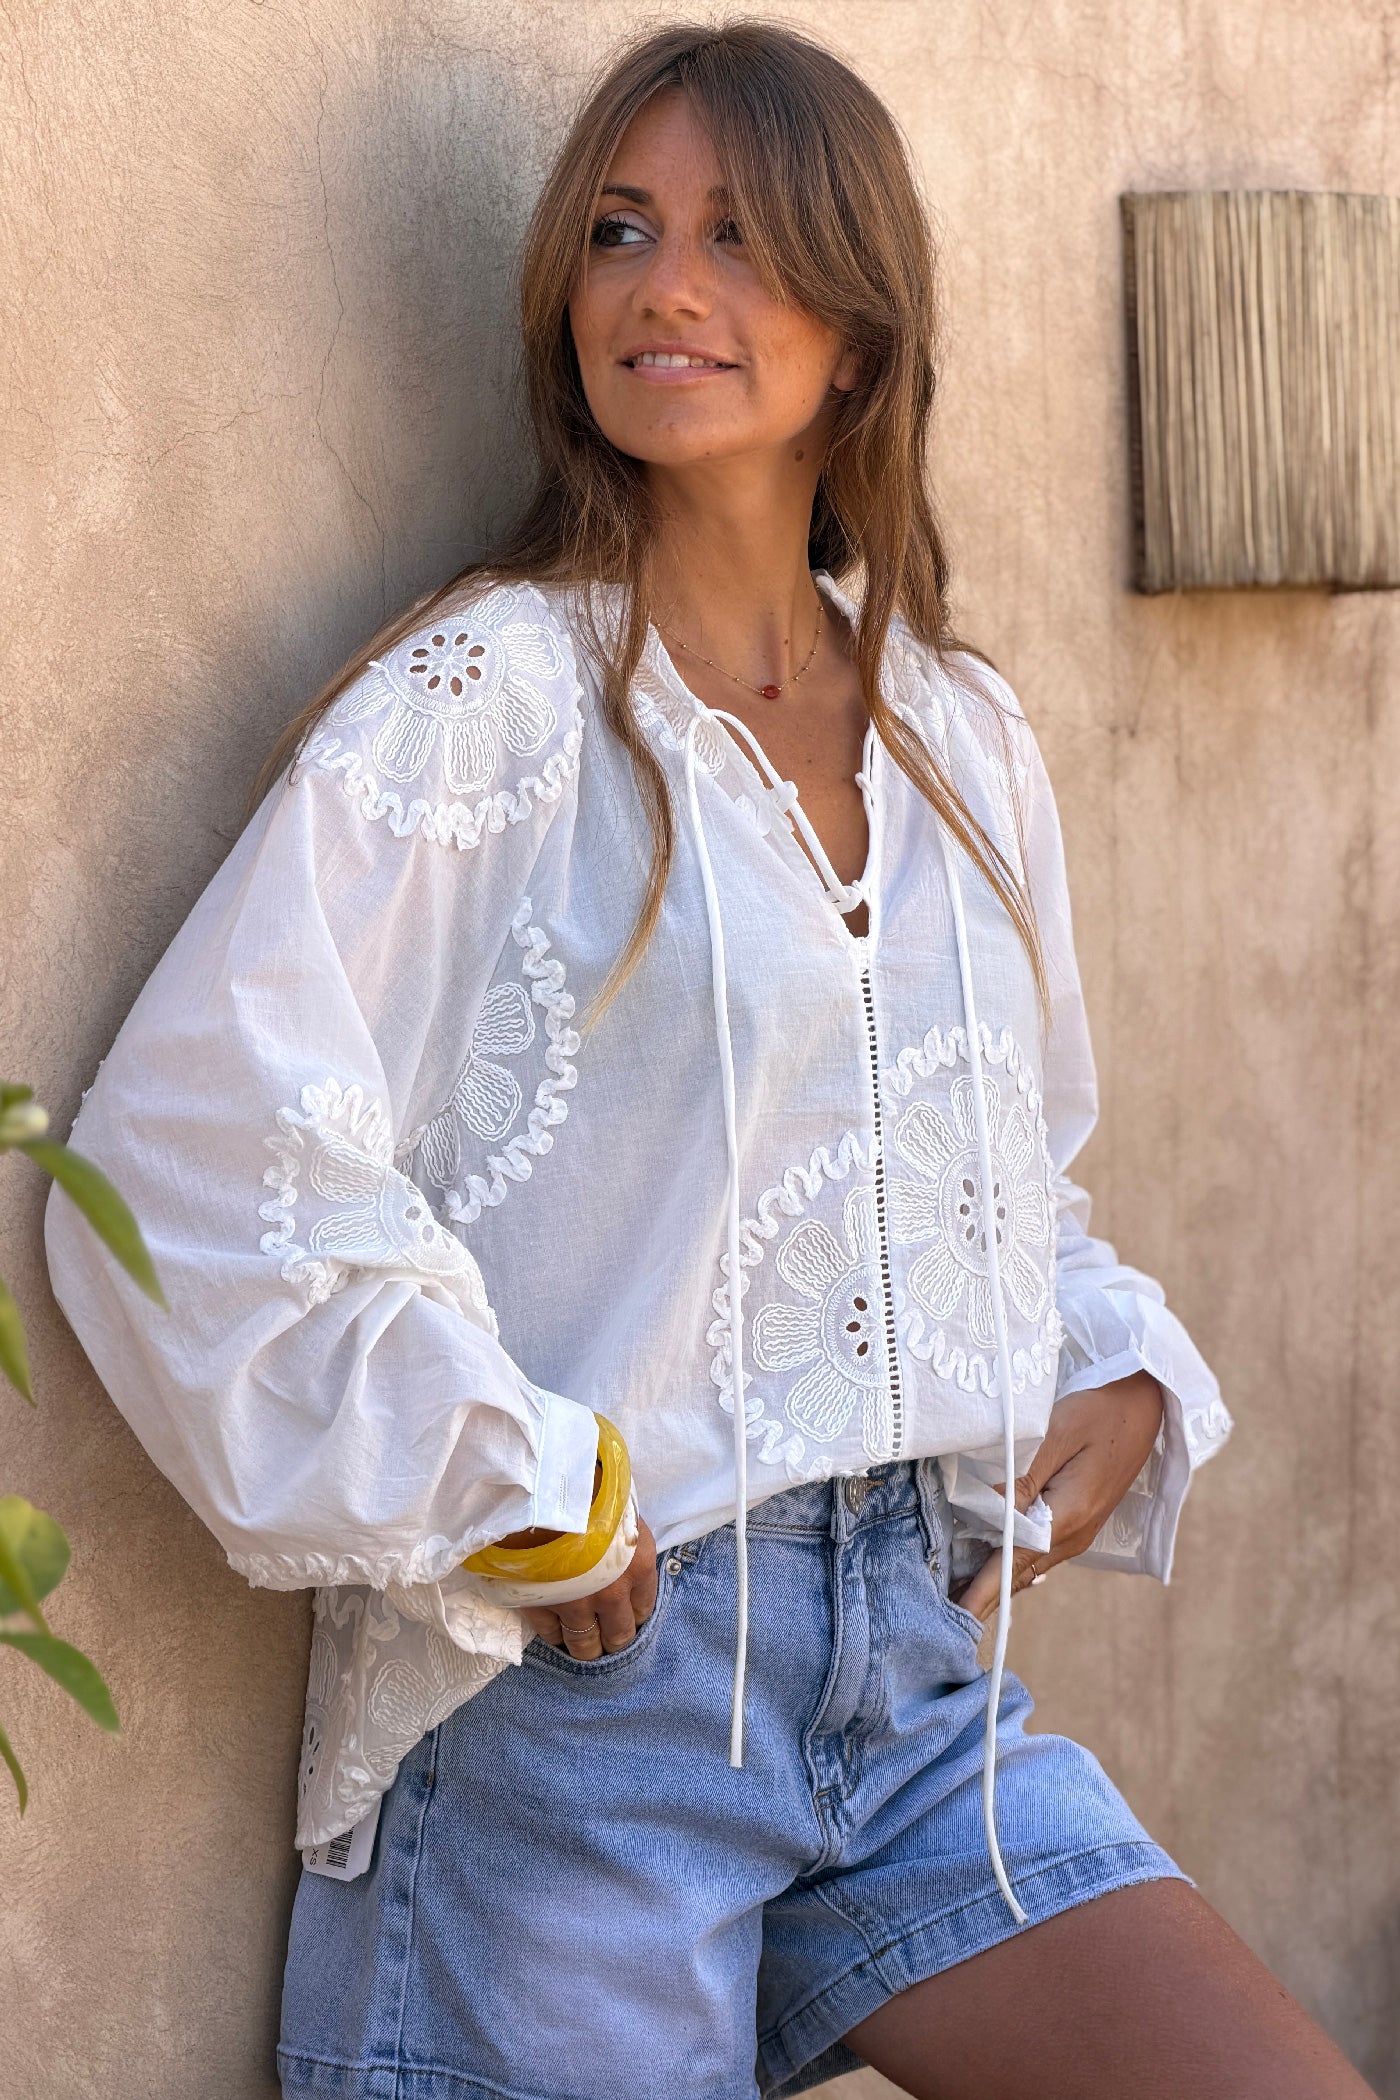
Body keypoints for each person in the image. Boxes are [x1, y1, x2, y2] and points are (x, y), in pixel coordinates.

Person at [44, 21, 1374, 2100]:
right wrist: (505, 1483)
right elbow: (192, 1166)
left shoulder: (964, 742)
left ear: (860, 334)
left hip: (913, 1682)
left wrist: (1102, 1354)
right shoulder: (484, 703)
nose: (663, 287)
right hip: (589, 1709)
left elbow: (995, 1171)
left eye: (742, 239)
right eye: (620, 230)